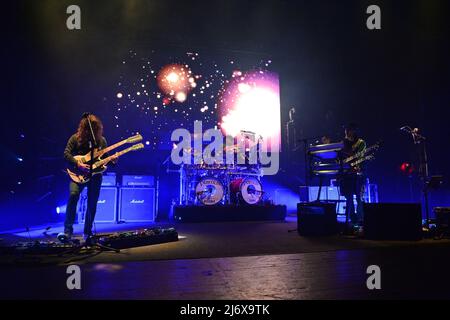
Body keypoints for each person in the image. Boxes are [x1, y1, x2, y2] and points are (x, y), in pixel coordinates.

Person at [62, 114, 117, 240]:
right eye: (88, 128)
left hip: (95, 176)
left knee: (92, 203)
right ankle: (67, 230)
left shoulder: (101, 141)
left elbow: (105, 159)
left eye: (94, 128)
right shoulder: (75, 138)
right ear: (83, 128)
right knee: (73, 195)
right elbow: (66, 154)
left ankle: (87, 232)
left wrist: (112, 160)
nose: (90, 131)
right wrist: (78, 164)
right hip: (77, 175)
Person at [339, 123, 366, 227]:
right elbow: (340, 157)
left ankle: (360, 219)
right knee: (348, 196)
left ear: (353, 131)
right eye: (345, 130)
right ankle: (352, 218)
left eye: (348, 130)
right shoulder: (343, 143)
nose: (346, 132)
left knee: (359, 197)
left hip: (358, 173)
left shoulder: (360, 142)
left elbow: (361, 157)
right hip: (347, 174)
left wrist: (355, 163)